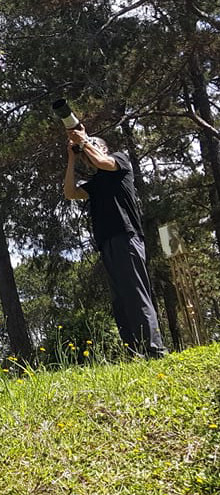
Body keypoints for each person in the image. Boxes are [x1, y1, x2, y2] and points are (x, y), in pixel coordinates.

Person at [63, 127, 167, 358]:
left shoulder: (119, 161)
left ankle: (154, 349)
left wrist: (85, 142)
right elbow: (70, 192)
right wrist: (72, 158)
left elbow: (102, 161)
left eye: (91, 148)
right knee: (120, 299)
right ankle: (134, 351)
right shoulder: (96, 182)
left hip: (126, 237)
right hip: (107, 242)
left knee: (135, 292)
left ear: (103, 148)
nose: (87, 156)